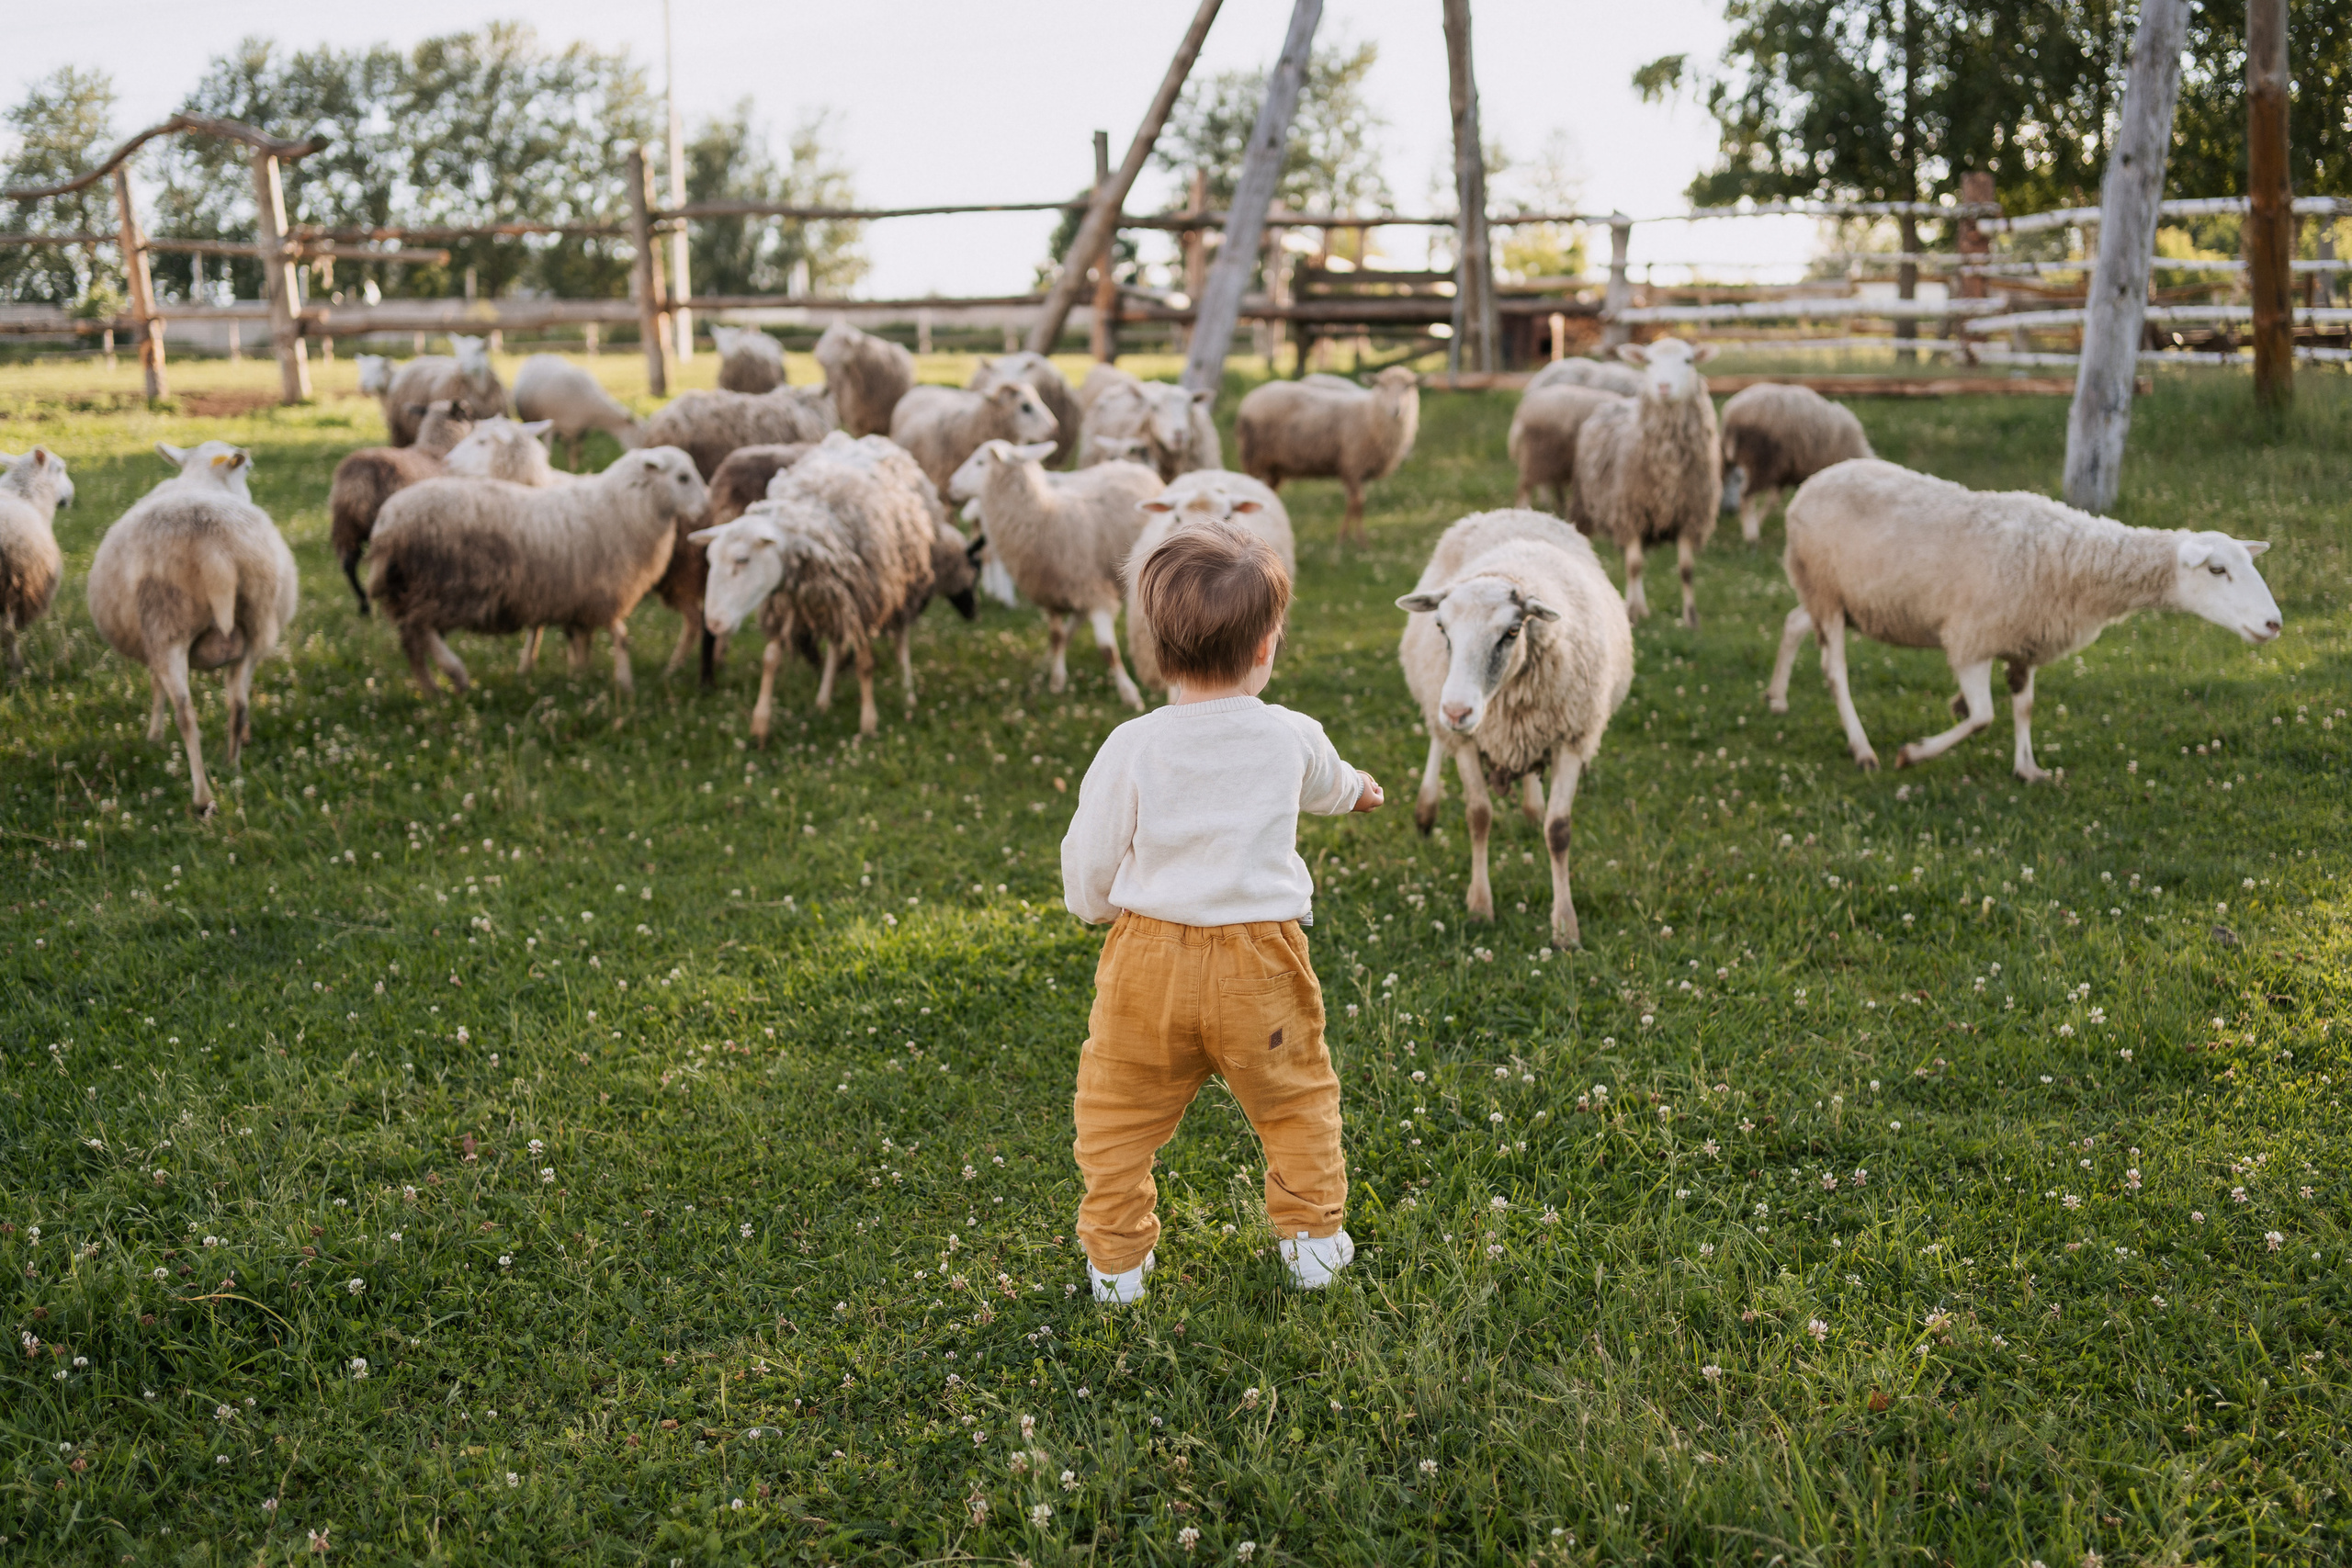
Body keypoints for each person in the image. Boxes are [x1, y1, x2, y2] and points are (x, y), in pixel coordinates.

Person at [1059, 518, 1383, 1304]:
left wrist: (1093, 906)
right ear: (1268, 646)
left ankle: (1118, 1265)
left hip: (1146, 966)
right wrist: (1363, 790)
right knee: (1295, 1100)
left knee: (1115, 1115)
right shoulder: (1290, 734)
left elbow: (1090, 852)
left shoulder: (1132, 743)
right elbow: (1332, 781)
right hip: (1262, 966)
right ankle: (1311, 1245)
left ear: (1157, 647)